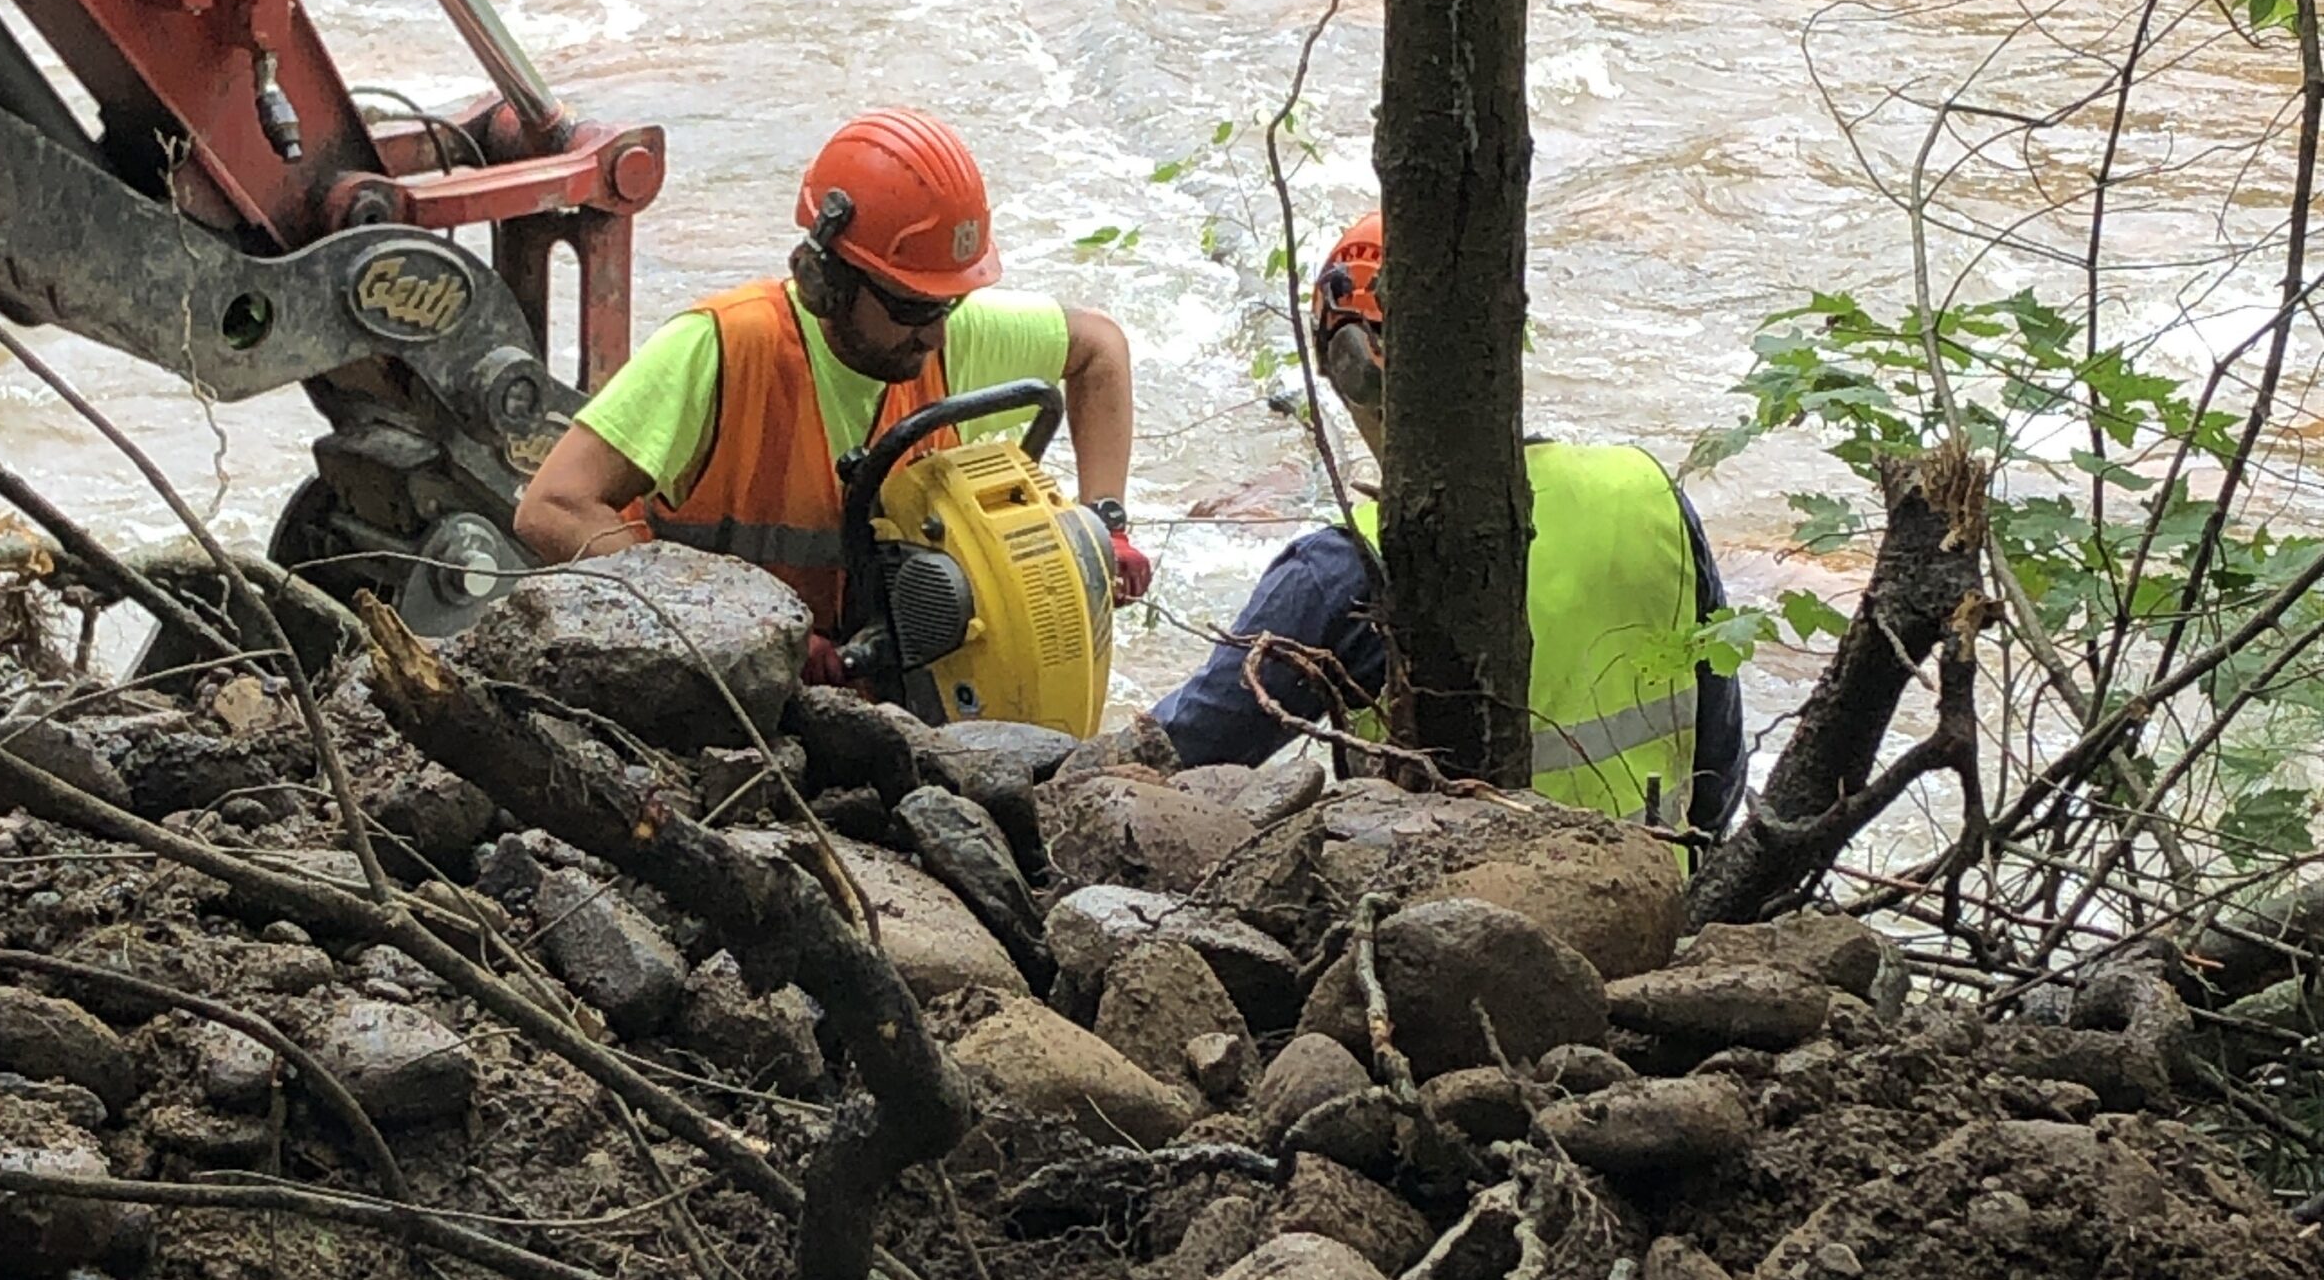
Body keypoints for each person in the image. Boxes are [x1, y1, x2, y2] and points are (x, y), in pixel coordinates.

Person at [1154, 212, 1747, 838]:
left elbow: (1182, 755)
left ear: (1352, 364)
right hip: (1655, 901)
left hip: (1436, 924)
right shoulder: (1647, 492)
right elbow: (1720, 771)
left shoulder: (1346, 566)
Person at [515, 109, 1150, 678]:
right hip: (703, 691)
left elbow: (1098, 349)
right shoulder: (724, 350)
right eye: (908, 305)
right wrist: (743, 633)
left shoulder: (940, 336)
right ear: (826, 281)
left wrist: (1106, 525)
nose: (932, 333)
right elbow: (552, 508)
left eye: (949, 303)